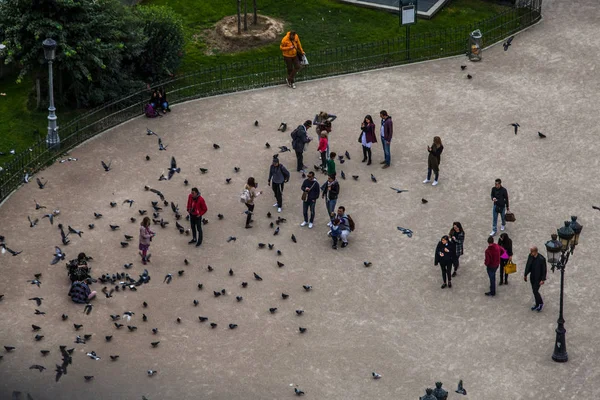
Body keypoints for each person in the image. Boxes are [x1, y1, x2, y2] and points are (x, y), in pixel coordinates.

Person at [524, 246, 547, 312]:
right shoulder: (530, 256)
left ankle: (540, 303)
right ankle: (537, 304)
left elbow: (544, 270)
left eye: (532, 252)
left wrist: (543, 279)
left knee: (535, 291)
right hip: (532, 276)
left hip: (538, 278)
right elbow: (528, 265)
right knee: (534, 291)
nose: (531, 253)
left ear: (535, 252)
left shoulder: (541, 259)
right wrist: (525, 274)